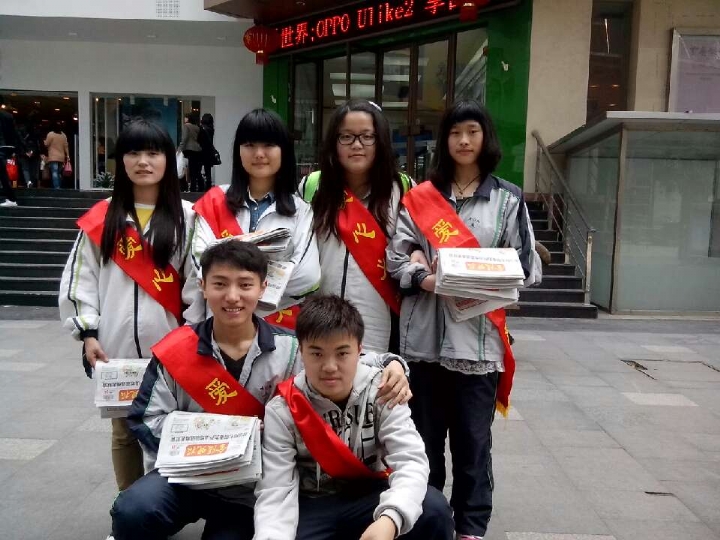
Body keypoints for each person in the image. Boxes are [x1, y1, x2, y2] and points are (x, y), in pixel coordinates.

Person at [111, 241, 411, 540]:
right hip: (186, 478)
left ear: (263, 288)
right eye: (220, 284)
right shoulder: (176, 351)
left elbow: (345, 360)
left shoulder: (288, 347)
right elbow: (145, 419)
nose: (232, 296)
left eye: (245, 285)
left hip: (253, 487)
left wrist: (393, 364)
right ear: (202, 286)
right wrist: (209, 442)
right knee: (134, 509)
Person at [387, 100, 542, 540]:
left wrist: (480, 273)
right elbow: (395, 259)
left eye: (472, 131)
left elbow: (527, 266)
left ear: (485, 137)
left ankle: (471, 526)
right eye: (455, 132)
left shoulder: (508, 199)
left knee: (473, 444)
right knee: (423, 442)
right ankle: (427, 520)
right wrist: (424, 276)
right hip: (422, 343)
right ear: (445, 141)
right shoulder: (420, 198)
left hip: (478, 344)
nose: (463, 140)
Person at [58, 119, 201, 497]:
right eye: (133, 152)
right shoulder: (102, 217)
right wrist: (88, 333)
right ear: (120, 160)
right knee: (123, 432)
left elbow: (199, 283)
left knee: (166, 428)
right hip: (115, 348)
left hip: (171, 348)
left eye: (153, 153)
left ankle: (159, 507)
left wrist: (193, 334)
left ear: (168, 160)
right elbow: (81, 279)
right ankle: (128, 507)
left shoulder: (188, 217)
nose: (143, 161)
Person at [253, 295, 454, 540]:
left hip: (368, 498)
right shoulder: (283, 409)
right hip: (311, 505)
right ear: (301, 352)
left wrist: (391, 518)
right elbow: (276, 490)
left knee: (434, 509)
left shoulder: (383, 390)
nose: (330, 366)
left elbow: (411, 461)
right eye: (317, 354)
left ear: (359, 350)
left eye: (342, 353)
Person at [298, 100, 413, 354]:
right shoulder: (312, 186)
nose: (357, 145)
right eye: (346, 137)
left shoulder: (402, 188)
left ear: (380, 142)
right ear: (334, 142)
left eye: (367, 136)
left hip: (380, 319)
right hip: (319, 317)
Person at [192, 108, 320, 331]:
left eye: (269, 145)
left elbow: (307, 277)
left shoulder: (301, 211)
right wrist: (273, 272)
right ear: (238, 151)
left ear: (284, 151)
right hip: (220, 329)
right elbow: (201, 264)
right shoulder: (214, 201)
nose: (259, 153)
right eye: (250, 145)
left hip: (278, 330)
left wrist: (232, 287)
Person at [0, 97, 21, 207]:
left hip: (2, 146)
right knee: (2, 173)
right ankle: (10, 198)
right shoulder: (8, 116)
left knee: (2, 173)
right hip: (6, 146)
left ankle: (11, 198)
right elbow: (15, 132)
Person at [178, 112, 203, 192]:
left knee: (188, 169)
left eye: (185, 117)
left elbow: (184, 138)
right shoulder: (196, 127)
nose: (184, 119)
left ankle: (190, 188)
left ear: (188, 118)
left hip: (189, 149)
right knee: (195, 170)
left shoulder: (186, 126)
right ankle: (196, 186)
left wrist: (180, 149)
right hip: (197, 149)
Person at [44, 122, 69, 189]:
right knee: (59, 172)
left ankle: (57, 187)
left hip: (53, 157)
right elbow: (66, 146)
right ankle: (59, 185)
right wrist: (67, 155)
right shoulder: (63, 135)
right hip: (61, 157)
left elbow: (46, 144)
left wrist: (44, 141)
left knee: (54, 172)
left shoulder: (50, 134)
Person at [18, 121, 41, 188]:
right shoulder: (36, 131)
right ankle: (32, 183)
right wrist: (33, 151)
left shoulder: (20, 131)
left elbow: (19, 142)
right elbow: (38, 142)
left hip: (24, 152)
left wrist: (25, 152)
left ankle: (28, 182)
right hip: (34, 153)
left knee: (25, 168)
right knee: (33, 169)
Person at [199, 112, 217, 192]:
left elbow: (201, 140)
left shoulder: (203, 129)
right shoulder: (211, 129)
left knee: (198, 170)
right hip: (209, 152)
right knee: (208, 170)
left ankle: (201, 185)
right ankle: (208, 186)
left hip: (202, 151)